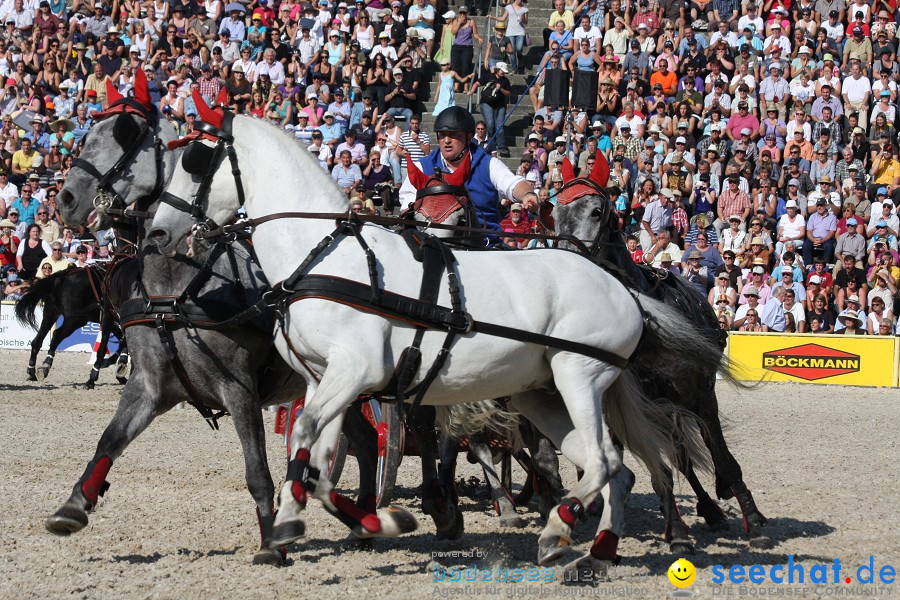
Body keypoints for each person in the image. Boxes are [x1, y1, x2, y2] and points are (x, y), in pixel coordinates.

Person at [398, 106, 540, 236]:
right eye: (442, 135)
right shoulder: (422, 167)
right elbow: (407, 201)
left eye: (454, 135)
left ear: (469, 136)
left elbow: (512, 184)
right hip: (433, 243)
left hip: (483, 244)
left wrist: (527, 194)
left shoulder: (489, 164)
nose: (446, 140)